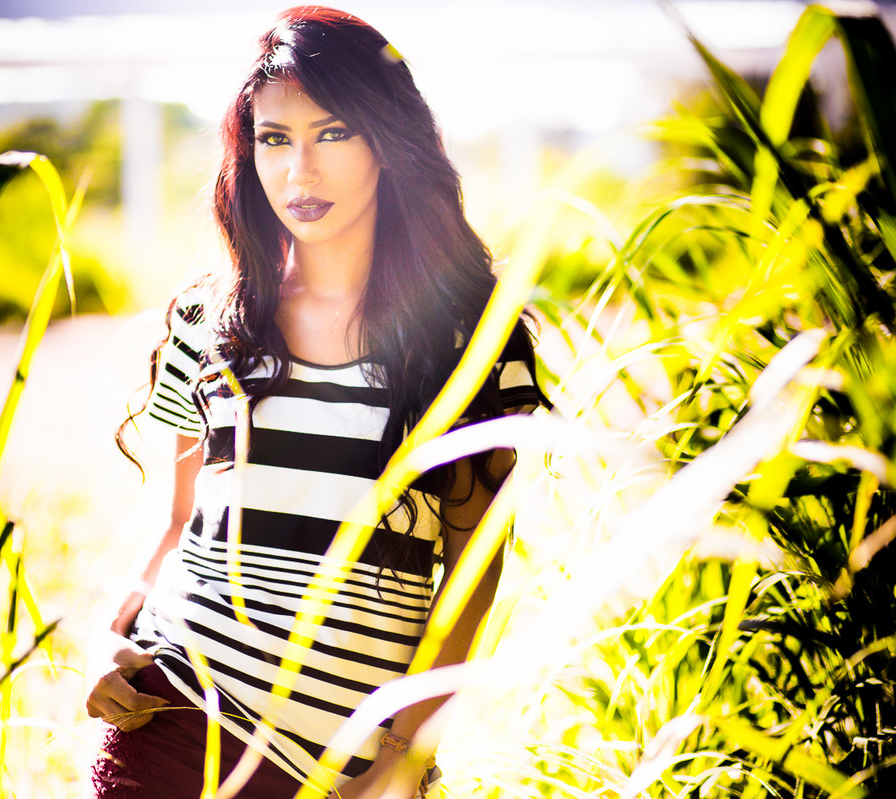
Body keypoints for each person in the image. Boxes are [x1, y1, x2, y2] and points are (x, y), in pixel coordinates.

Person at [84, 6, 546, 798]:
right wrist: (105, 639)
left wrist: (403, 757)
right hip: (172, 716)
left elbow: (473, 573)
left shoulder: (471, 335)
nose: (300, 171)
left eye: (332, 133)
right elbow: (176, 524)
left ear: (386, 141)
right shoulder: (211, 317)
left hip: (346, 767)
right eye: (274, 138)